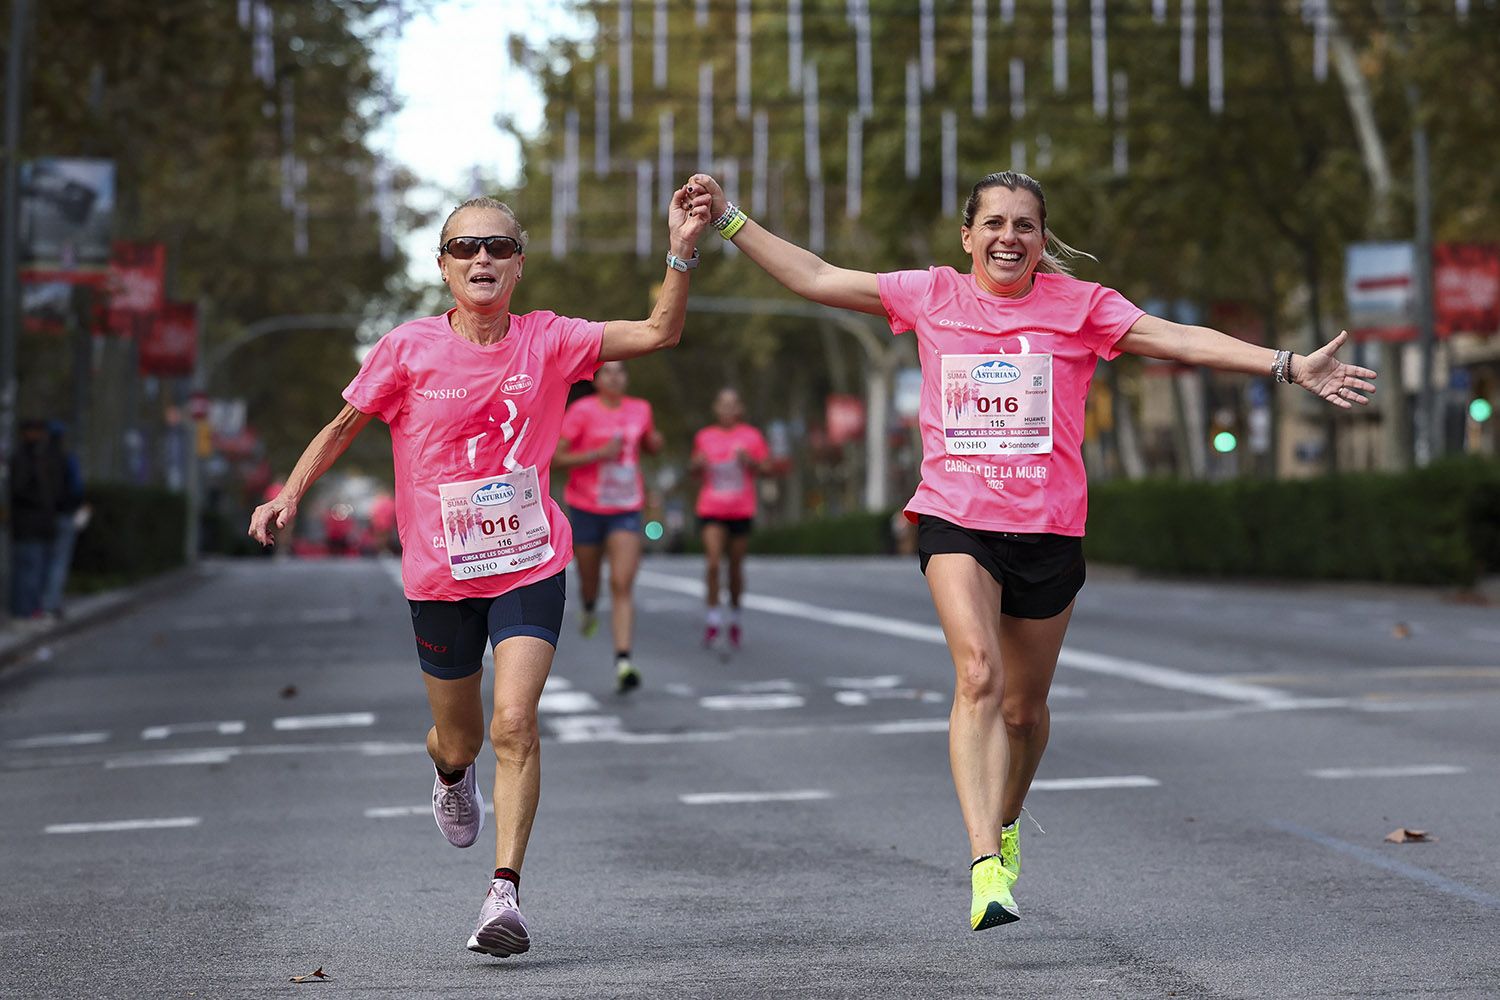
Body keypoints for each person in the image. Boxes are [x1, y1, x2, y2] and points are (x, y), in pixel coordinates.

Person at [682, 169, 1375, 931]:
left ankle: (1007, 823)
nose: (1009, 236)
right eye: (995, 223)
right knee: (976, 673)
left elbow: (1178, 338)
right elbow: (816, 276)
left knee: (1023, 713)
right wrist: (731, 220)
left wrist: (1286, 364)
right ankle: (984, 868)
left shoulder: (1083, 307)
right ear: (967, 236)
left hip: (1049, 530)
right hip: (956, 519)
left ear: (1042, 241)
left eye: (1025, 225)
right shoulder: (930, 295)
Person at [249, 188, 709, 958]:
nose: (483, 259)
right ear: (442, 267)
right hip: (440, 574)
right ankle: (450, 772)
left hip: (529, 560)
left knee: (515, 722)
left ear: (519, 265)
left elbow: (661, 330)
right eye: (466, 248)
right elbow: (341, 428)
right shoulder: (407, 350)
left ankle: (505, 896)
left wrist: (682, 246)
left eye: (498, 247)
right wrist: (288, 493)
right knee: (461, 739)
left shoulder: (553, 341)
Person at [552, 361, 663, 692]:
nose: (616, 377)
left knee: (621, 583)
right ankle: (587, 606)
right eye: (608, 372)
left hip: (626, 507)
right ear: (597, 380)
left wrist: (656, 441)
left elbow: (649, 445)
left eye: (621, 372)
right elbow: (556, 459)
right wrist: (597, 453)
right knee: (590, 582)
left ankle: (624, 661)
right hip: (586, 506)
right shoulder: (581, 412)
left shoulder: (640, 409)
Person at [690, 387, 771, 653]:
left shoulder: (751, 436)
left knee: (735, 568)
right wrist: (698, 464)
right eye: (722, 404)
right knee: (713, 563)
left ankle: (735, 617)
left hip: (741, 509)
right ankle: (713, 619)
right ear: (716, 408)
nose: (727, 409)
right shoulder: (705, 437)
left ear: (739, 409)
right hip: (711, 509)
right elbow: (692, 472)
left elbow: (767, 468)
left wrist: (750, 461)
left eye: (732, 404)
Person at [9, 419, 65, 620]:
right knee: (28, 573)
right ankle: (24, 613)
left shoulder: (40, 457)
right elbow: (21, 489)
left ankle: (31, 611)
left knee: (37, 572)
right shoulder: (25, 458)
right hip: (29, 525)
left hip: (40, 525)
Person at [40, 421, 88, 619]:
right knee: (59, 560)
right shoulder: (68, 459)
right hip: (64, 514)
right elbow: (77, 487)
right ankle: (51, 603)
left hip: (42, 516)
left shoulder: (40, 458)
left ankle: (39, 603)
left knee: (42, 560)